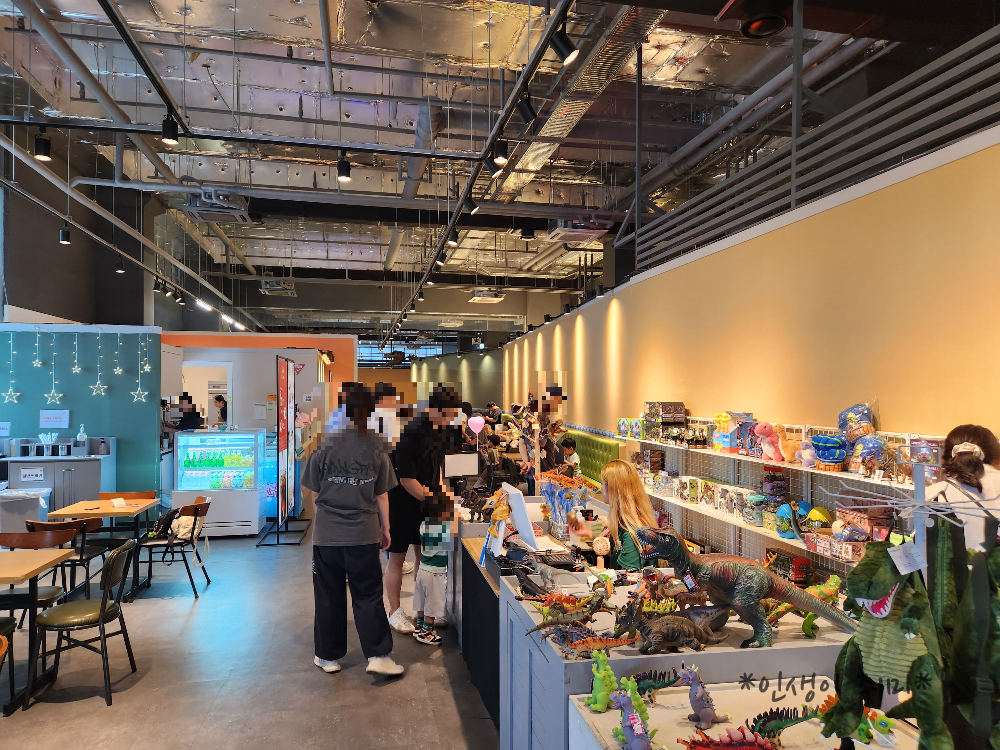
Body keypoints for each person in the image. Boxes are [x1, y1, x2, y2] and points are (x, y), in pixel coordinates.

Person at [301, 383, 404, 677]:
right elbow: (382, 495)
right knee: (368, 594)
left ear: (344, 410)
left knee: (328, 595)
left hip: (327, 537)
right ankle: (378, 655)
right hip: (364, 534)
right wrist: (386, 529)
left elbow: (315, 493)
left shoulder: (325, 445)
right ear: (371, 412)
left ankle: (328, 656)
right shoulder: (377, 448)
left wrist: (328, 517)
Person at [385, 384, 461, 633]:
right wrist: (436, 501)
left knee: (426, 557)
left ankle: (427, 610)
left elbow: (436, 470)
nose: (449, 420)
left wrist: (442, 494)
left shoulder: (441, 432)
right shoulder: (411, 433)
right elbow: (406, 479)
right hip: (402, 502)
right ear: (433, 409)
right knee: (397, 558)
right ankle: (394, 612)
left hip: (426, 502)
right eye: (446, 414)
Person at [568, 460, 657, 569]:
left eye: (602, 483)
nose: (601, 488)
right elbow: (619, 556)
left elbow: (629, 576)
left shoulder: (631, 532)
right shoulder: (622, 522)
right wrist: (590, 534)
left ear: (612, 489)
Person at [927, 424, 1000, 552]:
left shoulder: (937, 493)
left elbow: (925, 547)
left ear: (946, 458)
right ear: (996, 455)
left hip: (962, 564)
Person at [412, 490, 454, 645]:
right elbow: (451, 539)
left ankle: (419, 627)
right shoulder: (442, 529)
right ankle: (426, 633)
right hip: (435, 573)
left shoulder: (424, 525)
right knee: (433, 603)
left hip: (422, 570)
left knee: (422, 601)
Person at [518, 428, 565, 495]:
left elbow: (540, 444)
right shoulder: (528, 426)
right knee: (533, 496)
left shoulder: (544, 427)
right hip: (533, 471)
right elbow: (522, 442)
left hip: (544, 471)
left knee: (542, 497)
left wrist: (528, 462)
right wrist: (526, 462)